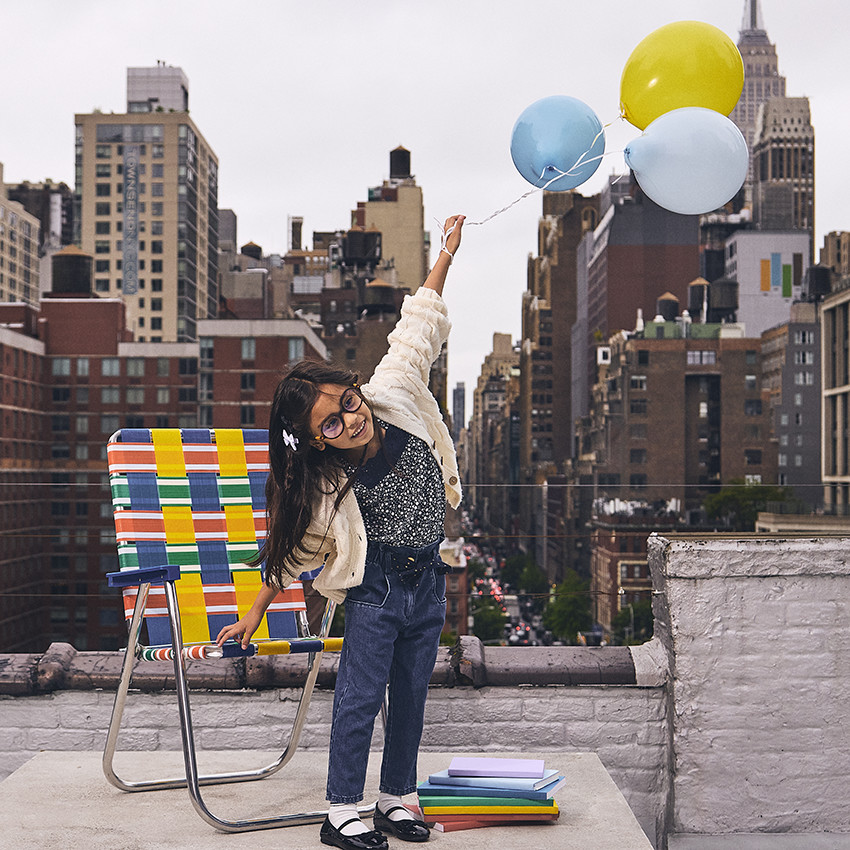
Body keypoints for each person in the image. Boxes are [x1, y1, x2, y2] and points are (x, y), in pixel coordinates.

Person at [216, 215, 465, 850]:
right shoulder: (325, 486)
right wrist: (251, 616)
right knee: (359, 699)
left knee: (410, 698)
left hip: (428, 579)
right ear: (313, 437)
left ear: (355, 390)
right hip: (375, 589)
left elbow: (418, 330)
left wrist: (446, 254)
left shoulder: (395, 396)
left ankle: (396, 798)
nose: (348, 422)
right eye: (329, 424)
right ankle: (342, 810)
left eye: (345, 404)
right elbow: (289, 557)